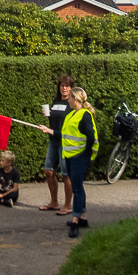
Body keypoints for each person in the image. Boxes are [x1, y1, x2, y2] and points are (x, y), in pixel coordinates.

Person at [62, 87, 98, 238]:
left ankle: (75, 221)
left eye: (69, 97)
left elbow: (91, 136)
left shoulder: (85, 115)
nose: (68, 99)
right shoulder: (72, 114)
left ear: (75, 99)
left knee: (76, 189)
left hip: (79, 157)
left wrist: (85, 154)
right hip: (70, 156)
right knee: (78, 187)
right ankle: (82, 218)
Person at [38, 75, 74, 215]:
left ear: (71, 88)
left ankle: (67, 205)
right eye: (62, 85)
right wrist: (48, 116)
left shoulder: (71, 104)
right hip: (53, 141)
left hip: (65, 142)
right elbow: (57, 119)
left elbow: (67, 129)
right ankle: (54, 202)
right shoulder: (56, 101)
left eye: (67, 86)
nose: (64, 88)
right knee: (48, 171)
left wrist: (50, 130)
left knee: (66, 174)